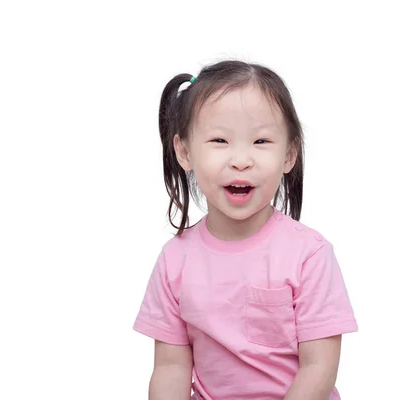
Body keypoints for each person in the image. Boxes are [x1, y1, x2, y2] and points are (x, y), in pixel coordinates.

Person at [133, 60, 358, 400]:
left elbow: (319, 367)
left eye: (261, 141)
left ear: (289, 155)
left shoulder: (309, 254)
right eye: (220, 140)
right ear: (184, 151)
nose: (241, 159)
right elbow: (170, 367)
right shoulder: (175, 259)